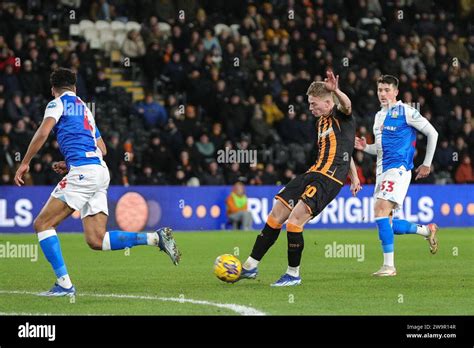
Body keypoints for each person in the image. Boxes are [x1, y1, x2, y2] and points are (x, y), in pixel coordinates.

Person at [14, 68, 181, 297]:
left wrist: (25, 163)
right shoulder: (84, 109)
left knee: (42, 224)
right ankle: (155, 238)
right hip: (99, 171)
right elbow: (101, 149)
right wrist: (71, 161)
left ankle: (64, 284)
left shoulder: (57, 103)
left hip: (84, 172)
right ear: (75, 87)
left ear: (54, 90)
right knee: (96, 239)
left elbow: (43, 132)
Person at [239, 71, 362, 287]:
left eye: (314, 104)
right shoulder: (320, 123)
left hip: (329, 180)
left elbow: (348, 104)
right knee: (277, 212)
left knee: (295, 221)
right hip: (313, 173)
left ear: (328, 101)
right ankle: (250, 266)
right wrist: (354, 176)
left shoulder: (342, 115)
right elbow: (346, 150)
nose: (311, 108)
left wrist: (336, 91)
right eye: (310, 104)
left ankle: (293, 274)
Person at [354, 75, 439, 277]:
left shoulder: (406, 111)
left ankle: (389, 267)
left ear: (395, 92)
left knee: (380, 211)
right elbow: (380, 149)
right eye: (380, 90)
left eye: (386, 90)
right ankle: (427, 231)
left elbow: (432, 133)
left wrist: (426, 163)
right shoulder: (378, 116)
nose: (382, 94)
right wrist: (366, 147)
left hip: (398, 170)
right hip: (382, 172)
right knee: (387, 223)